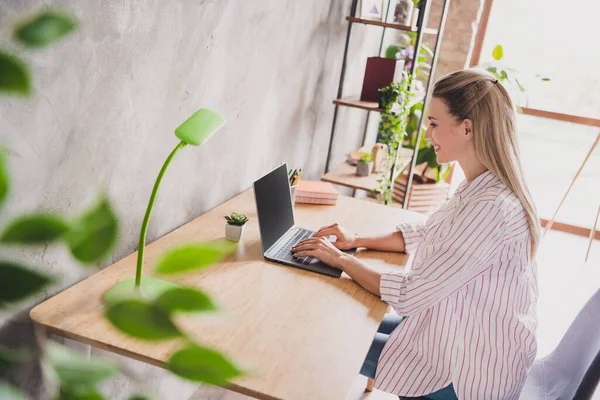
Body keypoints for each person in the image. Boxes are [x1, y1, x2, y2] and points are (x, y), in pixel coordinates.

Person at [292, 69, 540, 399]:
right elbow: (428, 231)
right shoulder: (483, 186)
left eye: (434, 123)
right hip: (453, 330)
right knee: (342, 316)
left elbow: (410, 294)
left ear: (466, 128)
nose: (427, 133)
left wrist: (338, 258)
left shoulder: (493, 206)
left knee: (331, 334)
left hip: (468, 368)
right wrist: (357, 241)